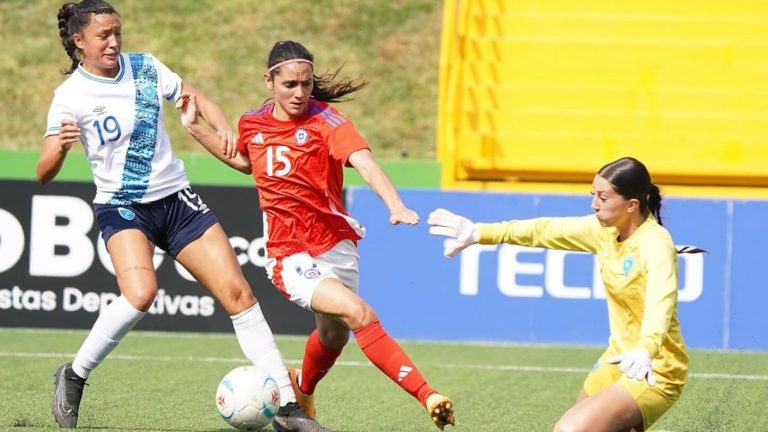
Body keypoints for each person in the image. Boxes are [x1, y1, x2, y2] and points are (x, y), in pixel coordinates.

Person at [39, 3, 327, 431]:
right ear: (79, 41)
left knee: (240, 296)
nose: (114, 42)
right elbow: (43, 173)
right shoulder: (70, 97)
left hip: (176, 200)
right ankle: (74, 375)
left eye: (117, 32)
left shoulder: (146, 68)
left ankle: (287, 408)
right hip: (123, 207)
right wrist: (60, 148)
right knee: (140, 294)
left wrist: (221, 125)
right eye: (103, 36)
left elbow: (197, 99)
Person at [178, 40, 455, 430]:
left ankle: (301, 388)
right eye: (290, 84)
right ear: (269, 81)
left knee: (333, 334)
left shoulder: (328, 121)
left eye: (306, 84)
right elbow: (245, 162)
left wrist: (395, 204)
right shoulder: (252, 123)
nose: (300, 93)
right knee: (360, 314)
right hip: (288, 254)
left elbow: (366, 163)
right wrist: (194, 128)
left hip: (336, 244)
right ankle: (429, 396)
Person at [428, 157, 694, 432]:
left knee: (569, 430)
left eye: (603, 197)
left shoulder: (655, 242)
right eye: (593, 195)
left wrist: (646, 348)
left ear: (632, 204)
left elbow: (661, 301)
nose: (594, 204)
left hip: (653, 367)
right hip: (616, 358)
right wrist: (480, 232)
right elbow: (543, 230)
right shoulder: (604, 230)